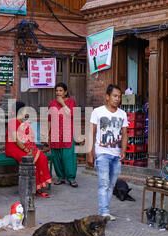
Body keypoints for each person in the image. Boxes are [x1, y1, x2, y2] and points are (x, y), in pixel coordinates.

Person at [87, 84, 128, 221]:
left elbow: (124, 134)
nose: (117, 99)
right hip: (102, 153)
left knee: (111, 184)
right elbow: (91, 133)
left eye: (119, 97)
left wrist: (123, 150)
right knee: (103, 183)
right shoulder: (97, 112)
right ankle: (103, 212)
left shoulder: (122, 114)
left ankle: (105, 210)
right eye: (115, 96)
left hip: (116, 155)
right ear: (107, 97)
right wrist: (90, 153)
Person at [5, 102, 52, 198]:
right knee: (28, 159)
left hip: (25, 146)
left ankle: (38, 188)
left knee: (42, 157)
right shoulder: (12, 122)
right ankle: (29, 189)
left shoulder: (24, 122)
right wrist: (26, 150)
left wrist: (32, 148)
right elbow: (16, 140)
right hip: (13, 147)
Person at [48, 82, 78, 187]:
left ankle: (71, 178)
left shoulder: (71, 101)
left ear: (65, 92)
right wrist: (48, 134)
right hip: (55, 134)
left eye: (60, 90)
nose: (58, 92)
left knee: (68, 157)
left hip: (67, 133)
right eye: (56, 90)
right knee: (57, 157)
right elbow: (49, 120)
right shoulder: (52, 103)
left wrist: (62, 103)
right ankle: (61, 177)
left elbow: (71, 115)